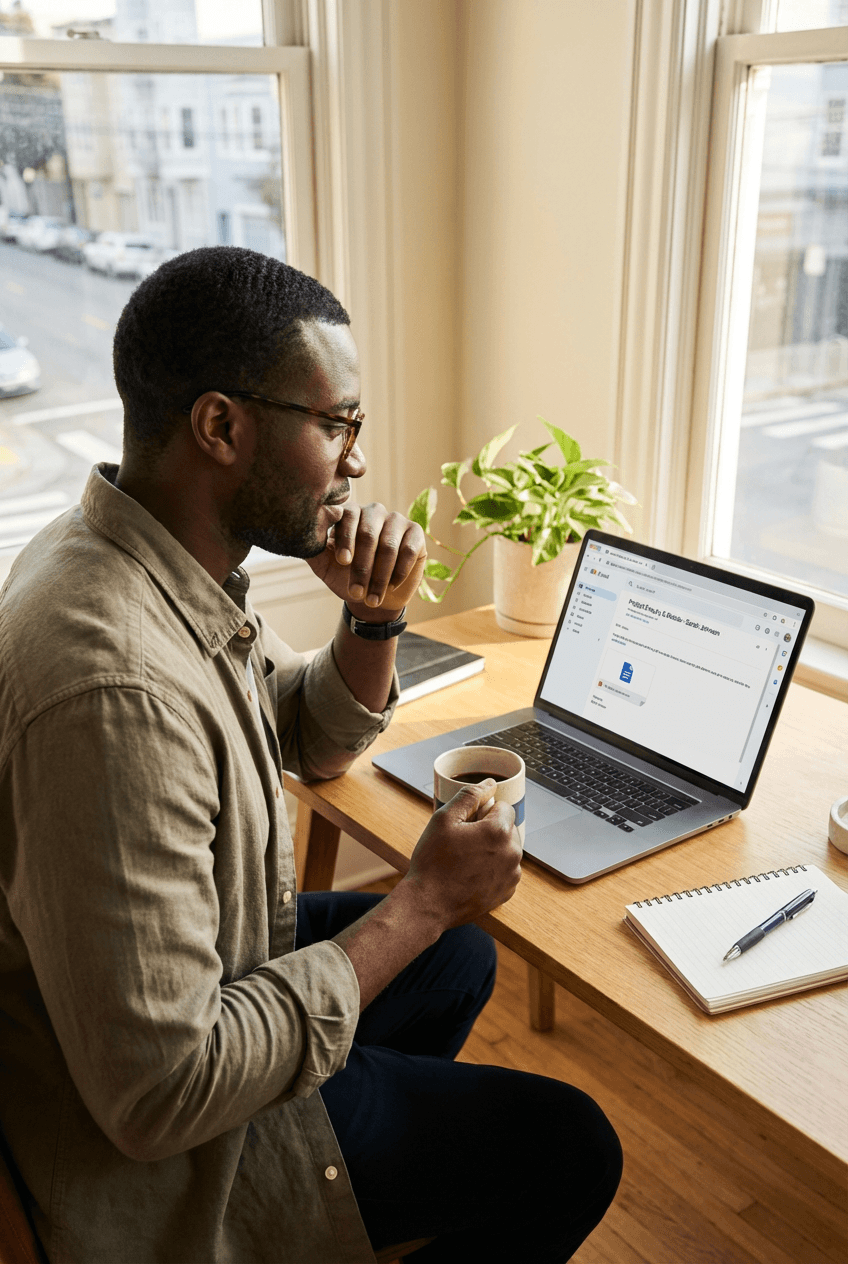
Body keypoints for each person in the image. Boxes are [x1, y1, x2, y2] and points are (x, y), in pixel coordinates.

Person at [0, 246, 621, 1264]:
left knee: (457, 952)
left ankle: (341, 1158)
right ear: (222, 425)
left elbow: (309, 740)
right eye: (336, 424)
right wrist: (416, 897)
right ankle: (299, 1189)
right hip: (162, 1147)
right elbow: (160, 1096)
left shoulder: (142, 558)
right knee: (570, 1146)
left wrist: (373, 619)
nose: (356, 462)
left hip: (197, 988)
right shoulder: (112, 687)